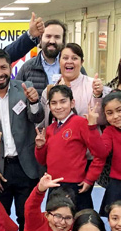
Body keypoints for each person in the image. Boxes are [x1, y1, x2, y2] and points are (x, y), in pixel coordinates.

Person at [0, 49, 45, 231]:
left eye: (3, 67)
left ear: (10, 68)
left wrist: (35, 103)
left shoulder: (25, 88)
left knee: (28, 217)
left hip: (26, 167)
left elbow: (36, 119)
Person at [35, 84, 105, 212]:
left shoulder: (81, 123)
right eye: (54, 103)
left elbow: (100, 153)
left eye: (63, 101)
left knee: (80, 225)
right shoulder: (50, 129)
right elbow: (43, 161)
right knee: (56, 226)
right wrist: (40, 147)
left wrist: (90, 179)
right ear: (49, 106)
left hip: (76, 186)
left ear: (72, 103)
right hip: (54, 185)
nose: (59, 107)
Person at [39, 43, 109, 125]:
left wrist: (98, 96)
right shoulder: (49, 91)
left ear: (82, 62)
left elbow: (103, 120)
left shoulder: (94, 86)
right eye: (65, 58)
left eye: (74, 58)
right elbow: (44, 124)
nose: (69, 61)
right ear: (59, 61)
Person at [15, 19, 69, 94]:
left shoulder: (72, 66)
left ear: (63, 41)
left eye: (57, 37)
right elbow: (16, 95)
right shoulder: (27, 68)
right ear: (40, 39)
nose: (52, 41)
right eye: (48, 36)